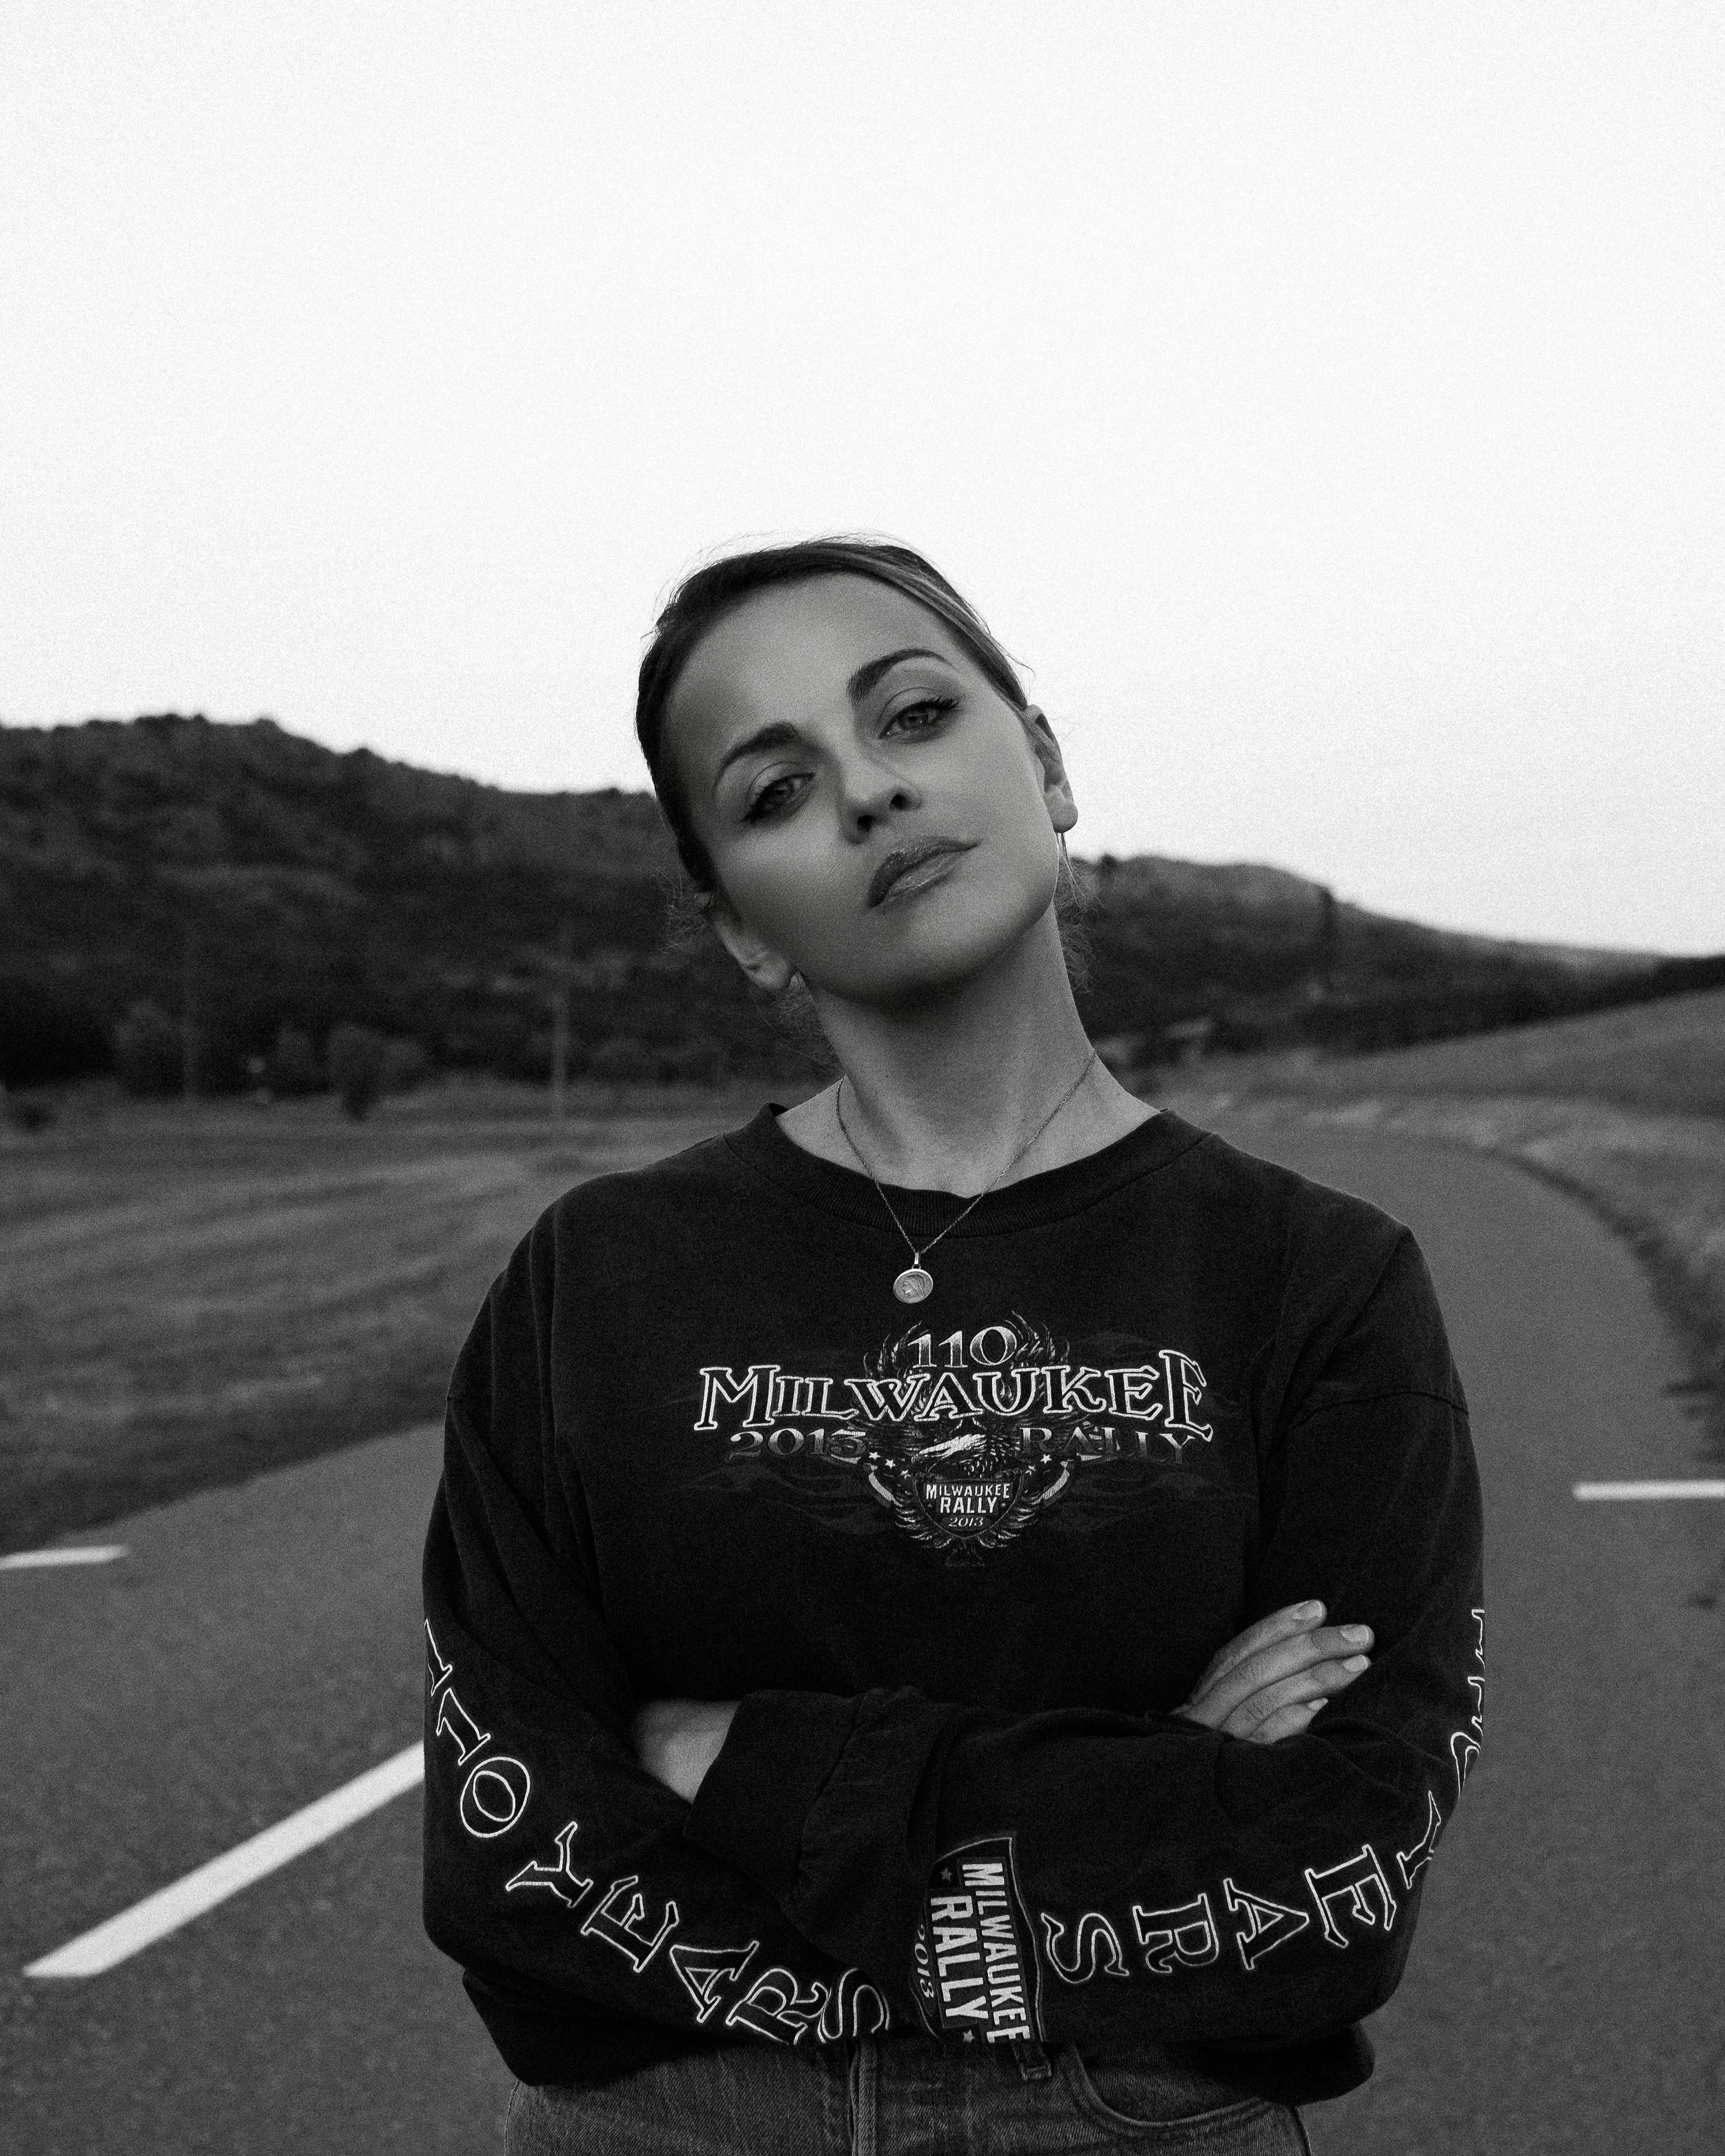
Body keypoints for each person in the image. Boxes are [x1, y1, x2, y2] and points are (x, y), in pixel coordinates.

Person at [421, 538, 1486, 2155]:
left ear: (1045, 766)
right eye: (774, 792)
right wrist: (1156, 1783)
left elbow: (1330, 1880)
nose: (864, 792)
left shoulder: (1312, 1279)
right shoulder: (597, 1280)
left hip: (1132, 2122)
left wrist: (740, 1764)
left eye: (911, 715)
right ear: (742, 932)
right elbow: (519, 1865)